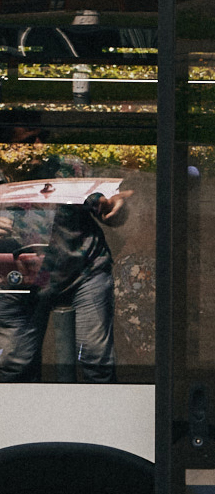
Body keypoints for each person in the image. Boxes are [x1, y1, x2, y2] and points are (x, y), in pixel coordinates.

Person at [0, 132, 130, 383]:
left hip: (84, 271)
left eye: (41, 138)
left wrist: (116, 208)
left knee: (95, 358)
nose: (38, 146)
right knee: (13, 363)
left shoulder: (68, 168)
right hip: (19, 279)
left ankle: (102, 418)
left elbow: (107, 207)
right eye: (27, 141)